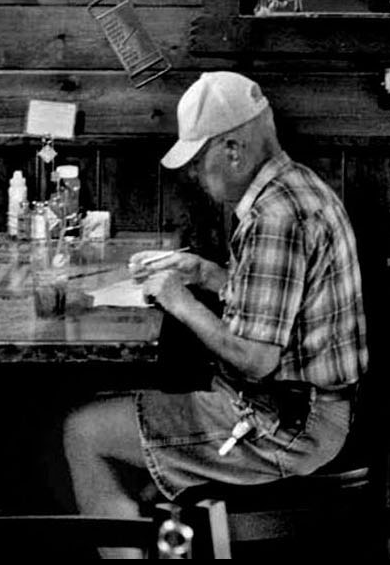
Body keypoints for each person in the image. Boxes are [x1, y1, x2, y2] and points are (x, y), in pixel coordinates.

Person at [63, 72, 367, 549]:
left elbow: (257, 357)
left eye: (198, 162)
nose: (193, 176)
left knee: (84, 431)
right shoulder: (297, 186)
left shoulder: (275, 217)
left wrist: (178, 301)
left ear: (232, 149)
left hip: (283, 429)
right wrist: (205, 274)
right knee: (127, 439)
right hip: (303, 413)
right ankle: (165, 547)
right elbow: (284, 310)